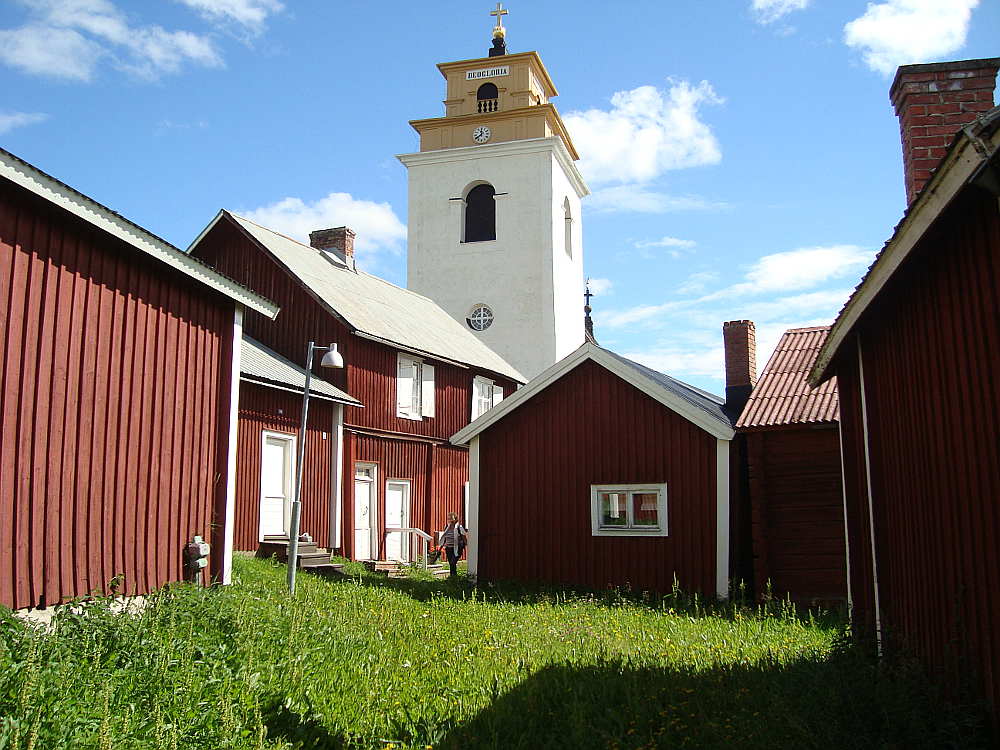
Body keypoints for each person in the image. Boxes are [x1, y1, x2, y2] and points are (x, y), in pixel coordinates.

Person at [439, 512, 467, 578]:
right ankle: (453, 577)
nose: (450, 520)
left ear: (455, 519)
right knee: (451, 564)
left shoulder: (459, 527)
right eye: (448, 519)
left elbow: (464, 537)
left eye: (451, 519)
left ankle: (454, 577)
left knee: (453, 562)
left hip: (457, 548)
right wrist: (441, 547)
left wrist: (466, 546)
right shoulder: (446, 527)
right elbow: (445, 538)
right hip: (448, 548)